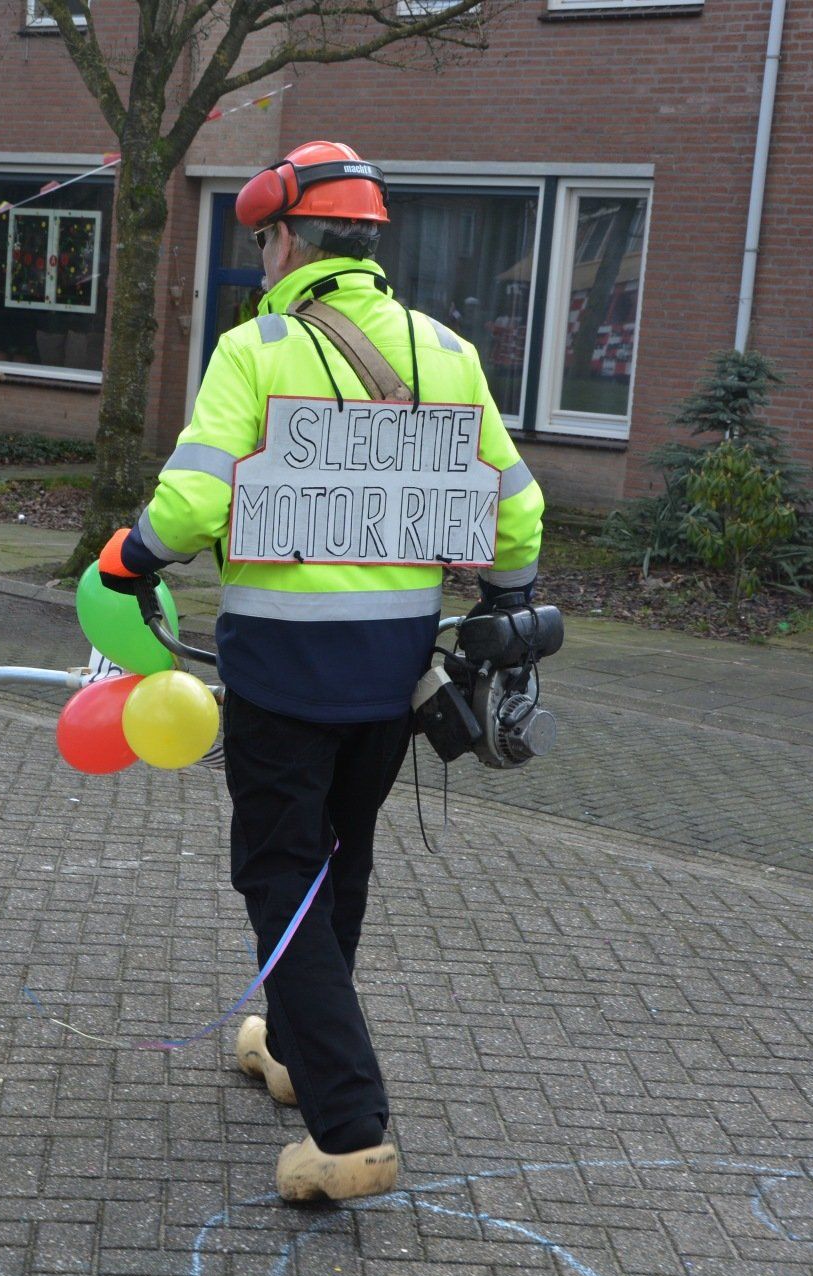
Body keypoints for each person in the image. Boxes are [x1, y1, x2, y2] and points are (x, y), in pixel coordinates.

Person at [96, 140, 545, 1202]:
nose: (263, 257)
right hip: (397, 679)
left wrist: (130, 558)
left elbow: (194, 503)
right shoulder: (448, 350)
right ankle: (296, 1052)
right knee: (338, 862)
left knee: (280, 873)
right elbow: (518, 512)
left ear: (288, 241)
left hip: (285, 676)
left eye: (265, 241)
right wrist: (505, 597)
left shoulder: (257, 347)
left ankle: (350, 1127)